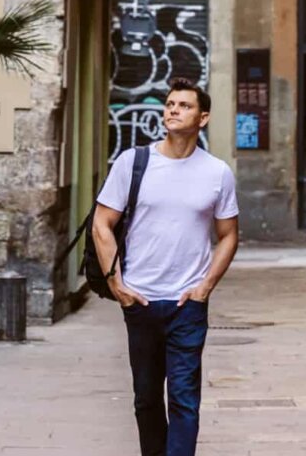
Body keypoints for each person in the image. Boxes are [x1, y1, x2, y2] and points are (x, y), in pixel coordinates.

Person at [92, 77, 240, 456]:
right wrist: (117, 284)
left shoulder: (217, 173)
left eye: (184, 105)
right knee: (146, 399)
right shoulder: (133, 162)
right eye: (170, 104)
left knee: (184, 399)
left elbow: (228, 236)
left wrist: (205, 287)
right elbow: (101, 224)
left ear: (202, 117)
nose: (173, 110)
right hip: (140, 301)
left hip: (186, 305)